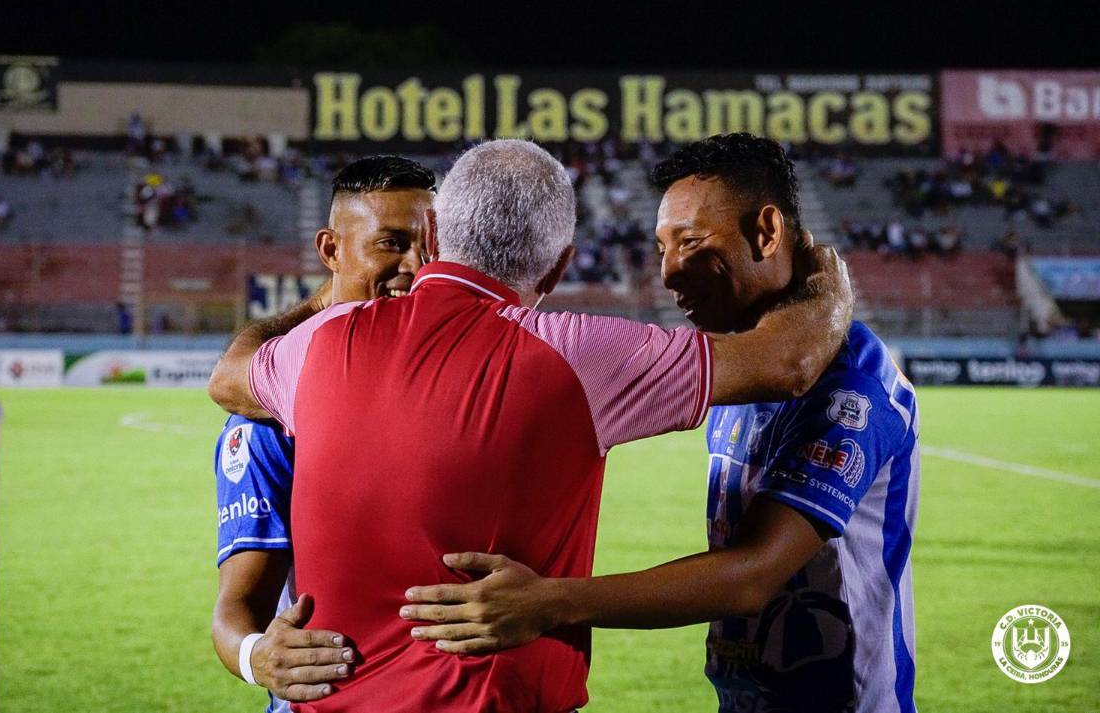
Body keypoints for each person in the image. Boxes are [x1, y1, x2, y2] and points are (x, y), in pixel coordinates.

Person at [208, 139, 853, 713]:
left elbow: (228, 379)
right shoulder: (576, 356)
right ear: (558, 267)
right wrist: (830, 279)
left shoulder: (314, 349)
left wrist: (321, 305)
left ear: (433, 236)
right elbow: (789, 361)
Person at [401, 135, 919, 713]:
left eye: (692, 243)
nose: (671, 272)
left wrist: (549, 602)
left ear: (766, 233)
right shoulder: (735, 364)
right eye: (662, 247)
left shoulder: (852, 383)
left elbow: (752, 576)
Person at [211, 156, 436, 710]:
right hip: (332, 697)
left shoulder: (458, 374)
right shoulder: (271, 411)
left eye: (433, 247)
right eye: (391, 243)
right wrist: (255, 655)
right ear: (331, 251)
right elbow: (239, 605)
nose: (418, 265)